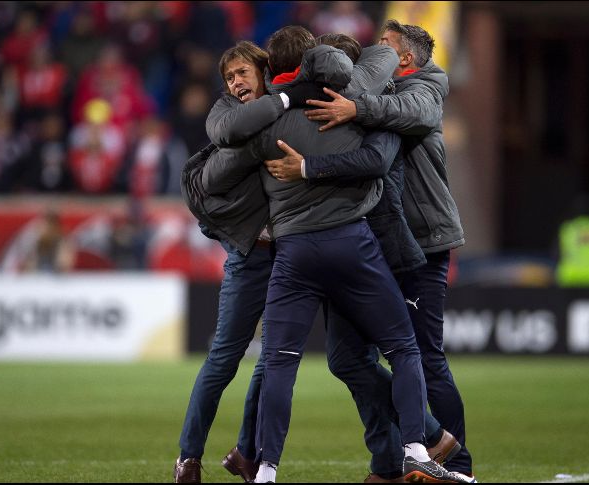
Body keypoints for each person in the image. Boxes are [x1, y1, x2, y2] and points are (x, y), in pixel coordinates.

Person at [197, 26, 466, 484]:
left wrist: (303, 161)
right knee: (368, 355)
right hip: (361, 247)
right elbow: (373, 161)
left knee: (287, 360)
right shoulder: (348, 107)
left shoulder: (411, 97)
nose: (372, 53)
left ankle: (265, 465)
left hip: (396, 247)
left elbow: (219, 167)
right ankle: (408, 452)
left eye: (382, 46)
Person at [302, 20, 475, 482]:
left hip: (423, 241)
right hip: (373, 247)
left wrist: (354, 107)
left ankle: (454, 465)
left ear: (402, 59)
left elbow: (411, 117)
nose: (370, 54)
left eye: (382, 47)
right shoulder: (376, 99)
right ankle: (394, 459)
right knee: (347, 359)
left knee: (423, 354)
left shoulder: (424, 88)